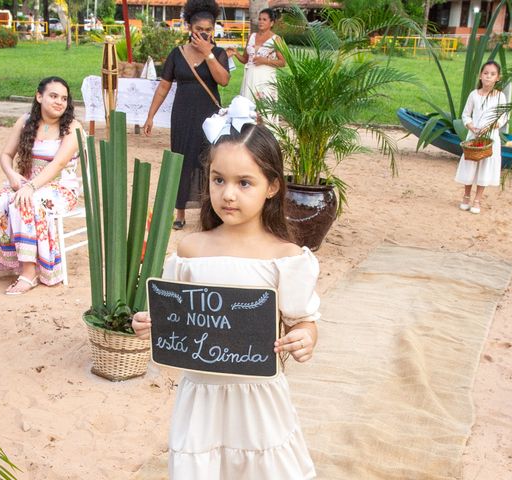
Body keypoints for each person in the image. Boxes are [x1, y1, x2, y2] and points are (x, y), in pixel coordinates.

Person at [132, 121, 319, 479]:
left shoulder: (285, 257)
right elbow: (170, 315)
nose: (228, 194)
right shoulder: (192, 250)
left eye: (243, 182)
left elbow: (304, 321)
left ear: (272, 186)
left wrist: (306, 338)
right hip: (201, 397)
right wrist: (148, 323)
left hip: (258, 399)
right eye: (218, 180)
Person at [0, 76, 82, 294]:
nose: (60, 102)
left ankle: (29, 271)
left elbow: (59, 163)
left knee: (23, 202)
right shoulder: (25, 121)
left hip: (60, 187)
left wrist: (30, 188)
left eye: (64, 98)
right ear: (39, 96)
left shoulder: (72, 126)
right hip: (25, 182)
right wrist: (13, 175)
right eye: (53, 96)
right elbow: (5, 154)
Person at [143, 0, 230, 231]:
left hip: (209, 118)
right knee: (181, 160)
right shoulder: (177, 54)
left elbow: (223, 80)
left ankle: (208, 212)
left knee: (209, 161)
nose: (204, 34)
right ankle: (179, 211)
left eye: (208, 30)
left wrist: (207, 54)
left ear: (214, 29)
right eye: (199, 29)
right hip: (182, 115)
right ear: (189, 28)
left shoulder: (219, 53)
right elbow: (163, 87)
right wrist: (150, 116)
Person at [456, 60, 508, 214]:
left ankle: (477, 199)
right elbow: (466, 115)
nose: (488, 77)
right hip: (474, 136)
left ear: (498, 77)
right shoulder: (474, 95)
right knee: (470, 164)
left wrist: (490, 127)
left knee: (485, 166)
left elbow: (503, 117)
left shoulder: (500, 97)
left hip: (490, 137)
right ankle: (466, 196)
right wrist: (471, 126)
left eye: (492, 74)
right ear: (480, 75)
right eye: (485, 73)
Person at [228, 8, 285, 103]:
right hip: (249, 78)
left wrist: (265, 61)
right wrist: (236, 53)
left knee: (264, 110)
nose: (261, 22)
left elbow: (283, 62)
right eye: (259, 19)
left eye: (264, 19)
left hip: (265, 79)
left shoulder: (276, 39)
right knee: (248, 109)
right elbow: (245, 59)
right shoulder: (251, 36)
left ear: (271, 23)